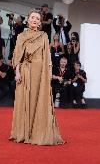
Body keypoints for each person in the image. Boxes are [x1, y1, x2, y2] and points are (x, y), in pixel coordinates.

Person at [9, 9, 64, 145]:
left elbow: (48, 56)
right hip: (26, 72)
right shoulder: (21, 36)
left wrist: (49, 72)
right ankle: (24, 133)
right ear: (28, 19)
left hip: (40, 74)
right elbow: (17, 56)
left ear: (40, 22)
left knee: (38, 101)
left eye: (37, 18)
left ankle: (37, 132)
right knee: (25, 101)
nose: (34, 20)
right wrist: (17, 72)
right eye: (32, 17)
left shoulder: (44, 36)